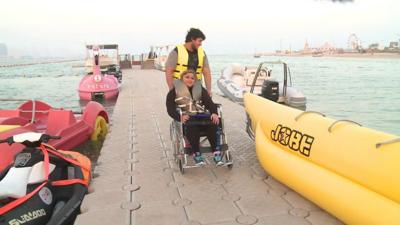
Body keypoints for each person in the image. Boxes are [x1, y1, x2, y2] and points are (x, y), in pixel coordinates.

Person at [166, 70, 223, 166]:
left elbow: (209, 103)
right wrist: (180, 117)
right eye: (187, 77)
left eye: (192, 78)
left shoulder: (200, 89)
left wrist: (214, 113)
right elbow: (170, 109)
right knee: (191, 123)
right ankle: (196, 154)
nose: (190, 79)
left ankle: (216, 153)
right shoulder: (173, 92)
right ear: (181, 79)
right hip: (188, 118)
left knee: (213, 121)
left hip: (201, 116)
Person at [165, 28, 213, 96]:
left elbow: (206, 72)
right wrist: (171, 90)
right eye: (199, 41)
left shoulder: (202, 53)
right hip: (179, 84)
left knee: (207, 101)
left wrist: (209, 90)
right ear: (192, 39)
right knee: (187, 102)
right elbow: (169, 71)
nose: (200, 44)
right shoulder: (176, 51)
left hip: (196, 85)